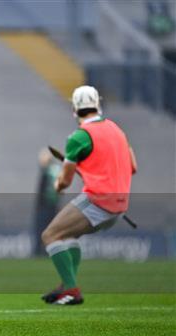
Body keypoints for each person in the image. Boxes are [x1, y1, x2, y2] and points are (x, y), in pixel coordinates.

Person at [40, 85, 137, 305]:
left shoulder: (79, 137)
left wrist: (57, 184)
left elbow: (64, 181)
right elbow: (132, 166)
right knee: (68, 236)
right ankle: (67, 284)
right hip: (120, 206)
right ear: (98, 105)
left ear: (75, 109)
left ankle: (72, 290)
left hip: (98, 201)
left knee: (50, 235)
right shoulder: (117, 130)